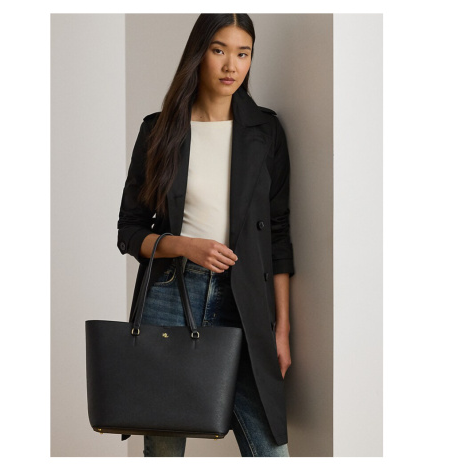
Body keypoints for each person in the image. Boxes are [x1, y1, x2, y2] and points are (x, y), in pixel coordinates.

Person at [117, 13, 295, 457]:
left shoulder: (266, 132)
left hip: (244, 298)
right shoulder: (158, 130)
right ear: (199, 54)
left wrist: (283, 329)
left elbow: (278, 235)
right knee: (163, 447)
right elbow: (129, 230)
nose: (231, 65)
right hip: (169, 293)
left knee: (270, 451)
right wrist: (184, 246)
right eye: (219, 50)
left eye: (243, 53)